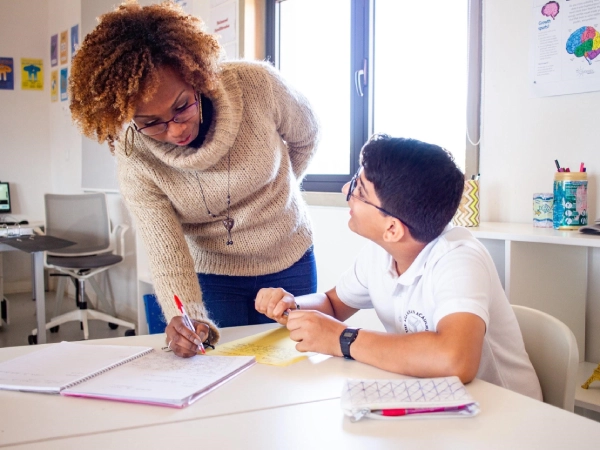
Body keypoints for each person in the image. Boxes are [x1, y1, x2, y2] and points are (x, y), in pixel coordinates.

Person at [69, 1, 320, 358]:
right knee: (217, 369)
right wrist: (186, 317)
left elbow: (306, 136)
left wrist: (279, 190)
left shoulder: (256, 86)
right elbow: (165, 248)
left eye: (181, 107)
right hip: (213, 273)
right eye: (151, 122)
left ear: (196, 76)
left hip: (289, 258)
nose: (174, 130)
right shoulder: (134, 156)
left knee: (291, 364)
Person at [255, 134, 542, 400]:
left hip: (502, 415)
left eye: (359, 189)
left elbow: (456, 360)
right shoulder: (380, 253)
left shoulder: (458, 259)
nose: (346, 190)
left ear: (392, 228)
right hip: (435, 401)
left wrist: (341, 339)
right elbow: (332, 304)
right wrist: (291, 304)